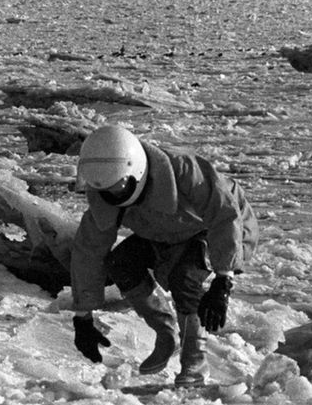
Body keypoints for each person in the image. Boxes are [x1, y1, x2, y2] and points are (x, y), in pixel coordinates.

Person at [67, 124, 257, 387]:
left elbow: (226, 215)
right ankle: (166, 334)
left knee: (185, 277)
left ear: (136, 170)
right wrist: (82, 316)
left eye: (119, 187)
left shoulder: (184, 171)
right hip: (160, 231)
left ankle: (195, 359)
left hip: (211, 227)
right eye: (107, 190)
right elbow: (88, 250)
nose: (113, 195)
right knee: (120, 263)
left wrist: (223, 279)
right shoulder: (106, 191)